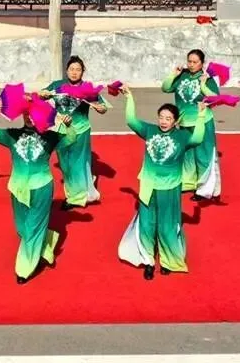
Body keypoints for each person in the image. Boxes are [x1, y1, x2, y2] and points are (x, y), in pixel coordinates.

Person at [117, 86, 206, 280]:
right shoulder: (149, 130)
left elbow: (198, 138)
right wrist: (129, 97)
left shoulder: (182, 137)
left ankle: (168, 261)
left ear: (175, 121)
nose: (164, 121)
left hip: (170, 188)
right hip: (148, 185)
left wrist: (201, 115)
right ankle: (148, 261)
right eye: (161, 117)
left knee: (167, 225)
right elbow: (131, 121)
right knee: (147, 225)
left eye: (168, 118)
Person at [0, 98, 75, 284]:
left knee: (33, 228)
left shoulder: (50, 136)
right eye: (26, 114)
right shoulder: (12, 134)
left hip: (41, 187)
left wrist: (69, 125)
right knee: (22, 228)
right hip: (17, 187)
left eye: (32, 114)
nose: (29, 117)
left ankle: (24, 268)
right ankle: (45, 242)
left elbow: (70, 139)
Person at [39, 55, 108, 210]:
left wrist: (99, 108)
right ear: (67, 70)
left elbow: (103, 108)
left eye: (78, 69)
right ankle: (82, 187)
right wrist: (42, 94)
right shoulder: (58, 85)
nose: (74, 72)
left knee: (77, 163)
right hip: (61, 130)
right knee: (65, 164)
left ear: (83, 71)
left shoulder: (87, 89)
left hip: (80, 131)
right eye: (72, 69)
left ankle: (75, 198)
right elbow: (41, 95)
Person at [161, 49, 221, 201]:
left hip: (202, 121)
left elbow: (215, 98)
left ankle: (206, 189)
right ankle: (188, 183)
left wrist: (203, 85)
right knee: (187, 155)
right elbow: (166, 88)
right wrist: (173, 74)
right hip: (184, 122)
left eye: (195, 62)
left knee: (203, 155)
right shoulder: (182, 75)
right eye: (189, 61)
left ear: (202, 63)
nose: (191, 64)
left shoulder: (207, 78)